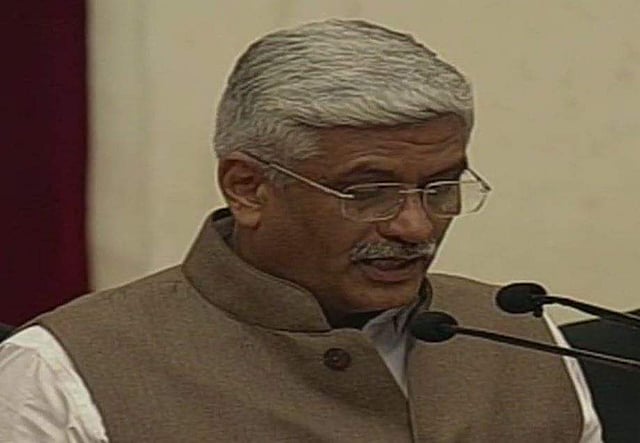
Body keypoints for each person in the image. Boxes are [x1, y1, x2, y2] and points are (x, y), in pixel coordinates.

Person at [0, 19, 601, 442]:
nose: (415, 226)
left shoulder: (519, 337)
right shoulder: (65, 372)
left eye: (441, 187)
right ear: (247, 188)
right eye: (368, 193)